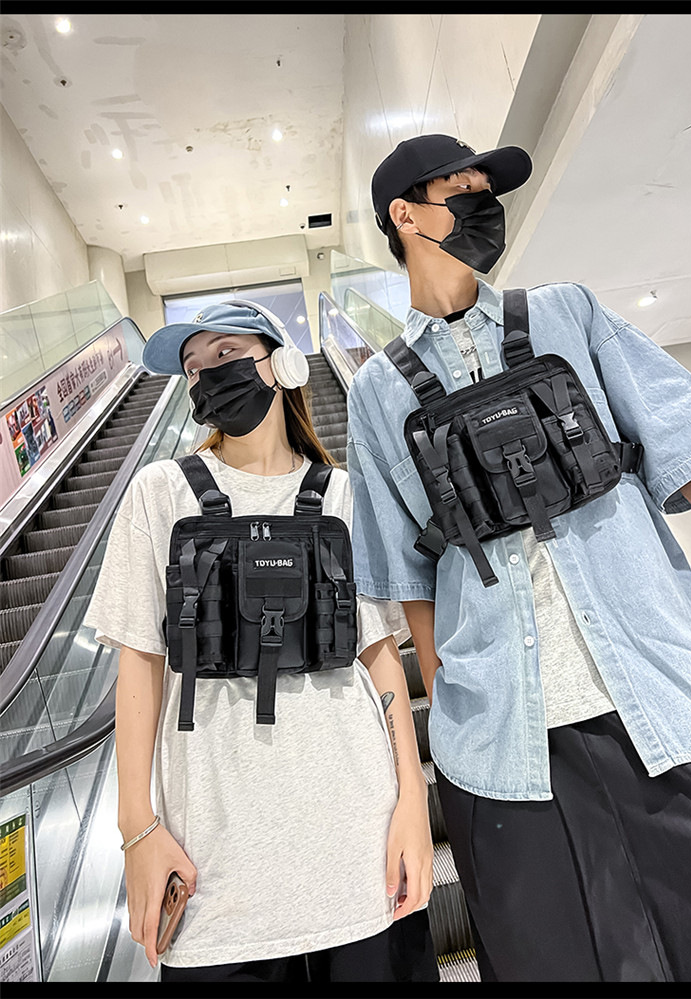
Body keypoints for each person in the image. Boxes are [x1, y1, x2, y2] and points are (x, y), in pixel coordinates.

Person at [345, 133, 691, 983]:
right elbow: (407, 573)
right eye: (462, 188)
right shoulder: (378, 392)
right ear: (405, 215)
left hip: (665, 696)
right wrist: (444, 693)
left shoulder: (569, 312)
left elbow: (675, 433)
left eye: (487, 189)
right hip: (506, 748)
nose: (483, 203)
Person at [84, 300, 439, 984]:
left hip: (359, 854)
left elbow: (381, 661)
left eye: (226, 354)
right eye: (194, 368)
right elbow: (139, 665)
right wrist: (137, 830)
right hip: (216, 879)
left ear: (284, 364)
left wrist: (412, 802)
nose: (208, 376)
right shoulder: (159, 493)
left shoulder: (343, 496)